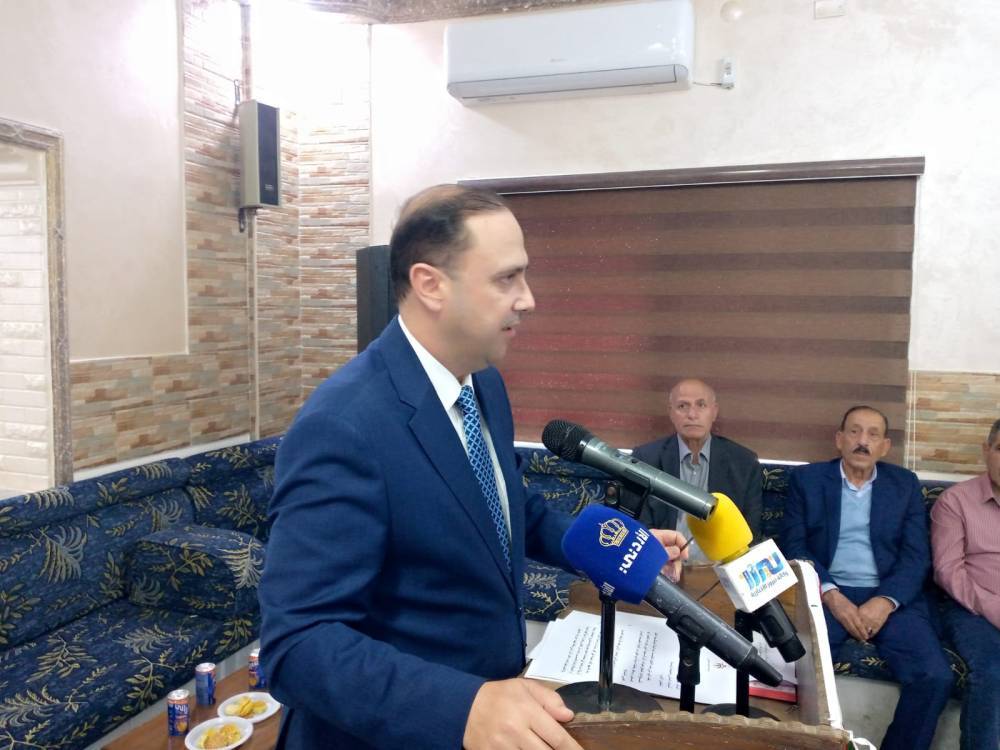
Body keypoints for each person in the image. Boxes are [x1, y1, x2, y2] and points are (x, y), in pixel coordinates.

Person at [258, 184, 686, 750]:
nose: (528, 299)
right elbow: (297, 646)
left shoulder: (483, 383)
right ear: (430, 284)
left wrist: (609, 547)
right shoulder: (343, 425)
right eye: (507, 278)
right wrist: (464, 707)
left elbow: (503, 507)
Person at [779, 405, 952, 750]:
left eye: (873, 435)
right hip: (825, 591)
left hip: (890, 594)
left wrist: (885, 601)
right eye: (855, 432)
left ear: (885, 447)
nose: (863, 441)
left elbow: (916, 556)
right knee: (794, 665)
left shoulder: (904, 485)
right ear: (839, 439)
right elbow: (795, 545)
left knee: (934, 676)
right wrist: (831, 594)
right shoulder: (807, 480)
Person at [632, 378, 762, 560]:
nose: (692, 414)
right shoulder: (645, 459)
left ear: (714, 412)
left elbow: (750, 535)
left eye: (701, 405)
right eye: (682, 406)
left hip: (718, 569)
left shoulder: (744, 463)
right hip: (663, 563)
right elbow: (638, 527)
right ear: (671, 413)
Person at [931, 417, 1000, 750]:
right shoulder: (956, 501)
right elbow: (948, 571)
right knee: (994, 672)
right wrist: (994, 609)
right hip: (970, 609)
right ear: (986, 450)